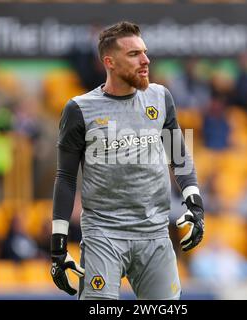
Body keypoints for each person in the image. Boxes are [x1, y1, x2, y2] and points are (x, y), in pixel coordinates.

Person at [50, 21, 204, 300]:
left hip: (155, 235)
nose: (145, 60)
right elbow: (66, 178)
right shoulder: (79, 109)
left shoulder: (160, 97)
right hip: (103, 236)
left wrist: (195, 202)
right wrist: (58, 245)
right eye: (134, 54)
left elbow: (179, 157)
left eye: (144, 52)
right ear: (109, 62)